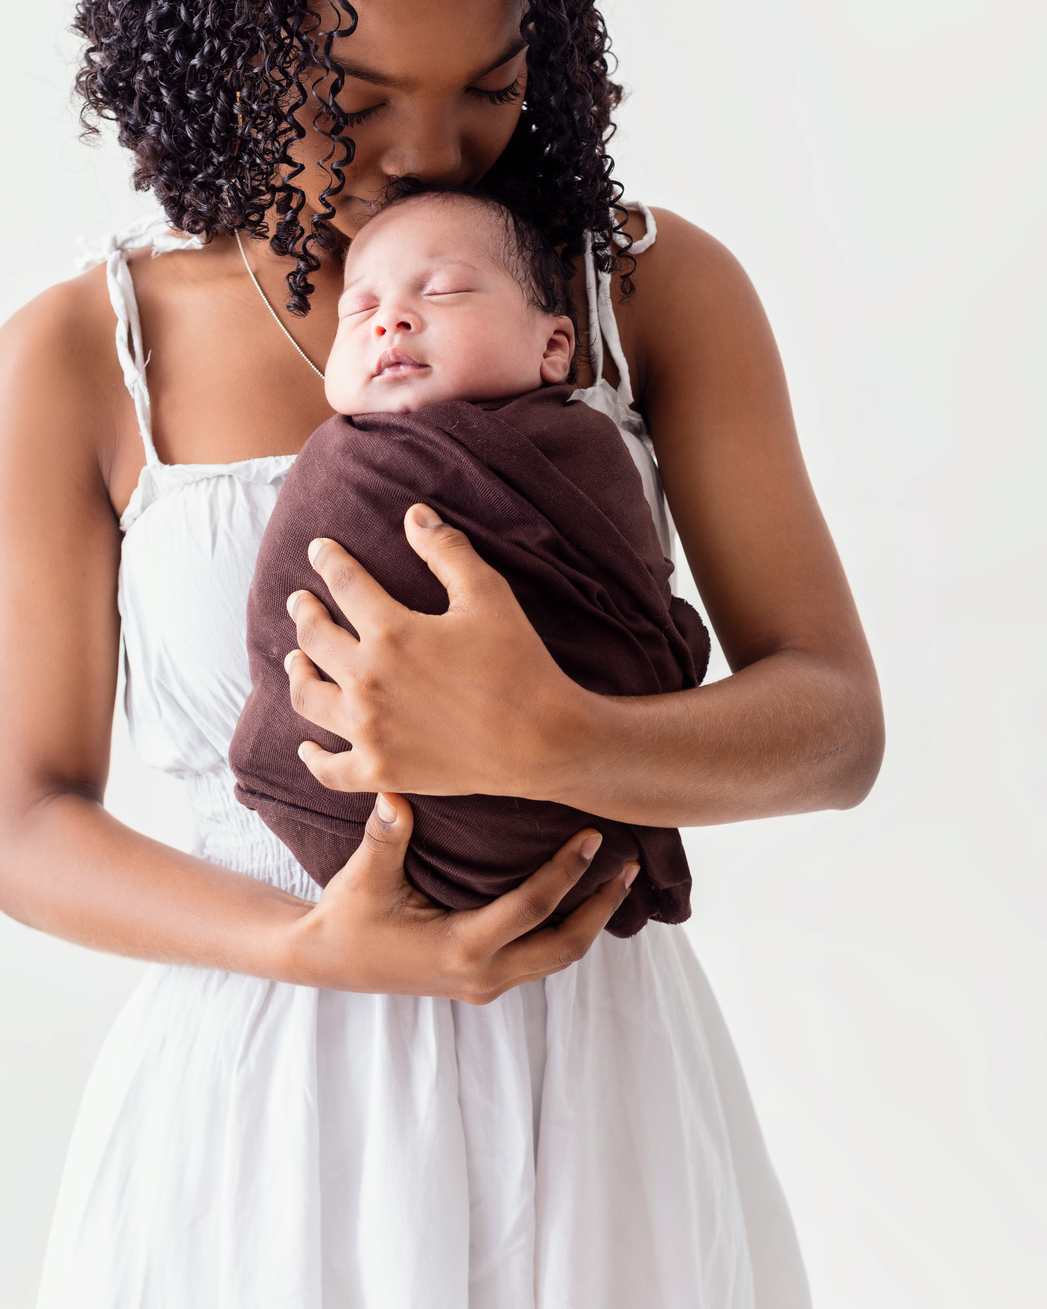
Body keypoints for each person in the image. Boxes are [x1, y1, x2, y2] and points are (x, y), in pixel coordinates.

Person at [0, 0, 883, 1309]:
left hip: (596, 1100)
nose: (429, 150)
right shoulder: (77, 361)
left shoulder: (639, 298)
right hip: (255, 1119)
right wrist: (319, 953)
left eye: (490, 84)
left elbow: (832, 728)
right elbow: (27, 826)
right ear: (226, 35)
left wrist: (547, 744)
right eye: (356, 92)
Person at [231, 183, 710, 933]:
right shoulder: (341, 465)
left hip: (576, 825)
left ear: (554, 347)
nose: (390, 319)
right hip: (334, 895)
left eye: (445, 290)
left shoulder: (580, 451)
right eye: (359, 310)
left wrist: (553, 734)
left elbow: (623, 618)